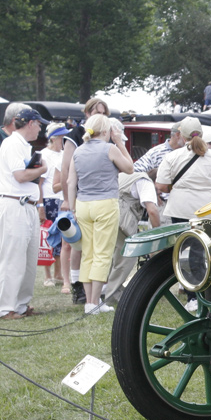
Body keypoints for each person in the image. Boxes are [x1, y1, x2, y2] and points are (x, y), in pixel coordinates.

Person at [65, 114, 134, 314]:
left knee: (87, 253)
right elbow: (130, 168)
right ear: (106, 131)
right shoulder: (109, 148)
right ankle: (95, 302)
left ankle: (89, 301)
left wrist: (72, 208)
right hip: (105, 203)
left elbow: (71, 182)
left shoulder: (78, 151)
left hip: (83, 204)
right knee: (102, 253)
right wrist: (120, 142)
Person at [0, 107, 49, 319]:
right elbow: (21, 176)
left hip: (26, 205)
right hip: (13, 204)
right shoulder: (13, 144)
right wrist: (42, 169)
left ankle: (21, 305)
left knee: (28, 260)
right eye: (39, 124)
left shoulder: (23, 145)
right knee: (13, 259)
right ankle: (5, 308)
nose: (40, 129)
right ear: (30, 123)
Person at [61, 98, 112, 304]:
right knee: (78, 245)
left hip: (99, 197)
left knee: (96, 248)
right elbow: (66, 169)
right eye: (97, 112)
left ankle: (97, 290)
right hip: (80, 197)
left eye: (104, 113)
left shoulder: (105, 135)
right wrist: (68, 200)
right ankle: (77, 286)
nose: (101, 116)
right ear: (87, 113)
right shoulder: (75, 135)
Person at [0, 102, 29, 313]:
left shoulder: (20, 141)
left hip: (16, 201)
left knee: (14, 251)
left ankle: (14, 300)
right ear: (15, 120)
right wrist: (17, 168)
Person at [155, 116, 211, 223]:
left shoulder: (171, 157)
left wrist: (175, 188)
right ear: (201, 134)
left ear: (182, 136)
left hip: (180, 210)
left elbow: (161, 186)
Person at [103, 171, 161, 306]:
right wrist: (157, 233)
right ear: (156, 181)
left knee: (107, 255)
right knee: (126, 256)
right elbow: (152, 211)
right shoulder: (146, 182)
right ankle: (113, 294)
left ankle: (100, 290)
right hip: (120, 218)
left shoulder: (127, 176)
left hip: (103, 212)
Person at [40, 122, 73, 290]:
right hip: (49, 199)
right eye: (61, 137)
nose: (63, 141)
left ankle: (58, 273)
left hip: (61, 199)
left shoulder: (63, 154)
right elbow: (39, 183)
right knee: (47, 236)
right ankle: (47, 275)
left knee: (60, 238)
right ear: (53, 138)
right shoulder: (43, 154)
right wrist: (40, 204)